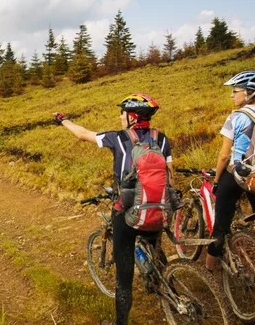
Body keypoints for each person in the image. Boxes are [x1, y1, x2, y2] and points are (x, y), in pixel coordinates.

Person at [54, 93, 174, 325]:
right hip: (158, 206)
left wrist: (63, 120)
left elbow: (82, 134)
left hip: (126, 213)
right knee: (154, 245)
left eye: (122, 113)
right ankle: (170, 290)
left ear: (131, 117)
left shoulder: (118, 138)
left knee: (124, 278)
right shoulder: (162, 138)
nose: (119, 117)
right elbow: (170, 175)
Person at [205, 71, 255, 277]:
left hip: (236, 174)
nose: (232, 95)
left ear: (249, 93)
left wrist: (216, 181)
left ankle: (208, 272)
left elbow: (224, 156)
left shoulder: (235, 117)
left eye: (235, 91)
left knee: (220, 225)